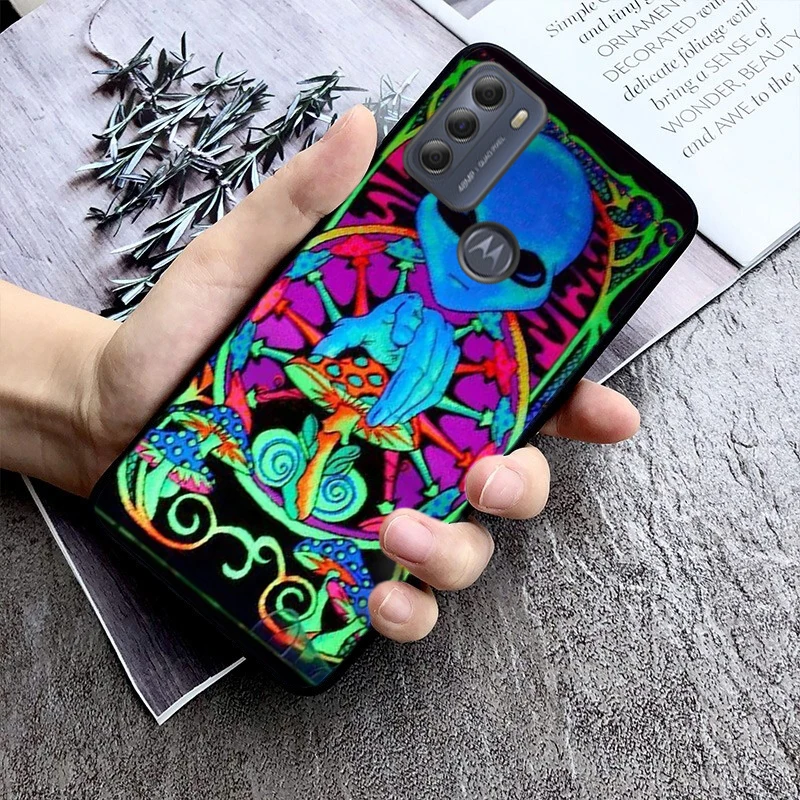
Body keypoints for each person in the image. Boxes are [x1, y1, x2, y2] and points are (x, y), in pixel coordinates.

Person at [0, 105, 640, 643]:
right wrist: (89, 399)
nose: (479, 262)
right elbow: (353, 333)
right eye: (463, 221)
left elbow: (411, 375)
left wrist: (88, 408)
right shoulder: (397, 310)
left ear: (535, 288)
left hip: (366, 418)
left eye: (519, 266)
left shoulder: (439, 348)